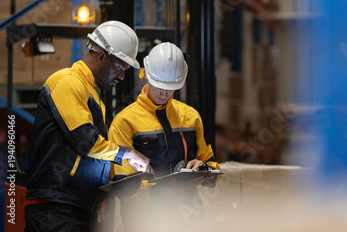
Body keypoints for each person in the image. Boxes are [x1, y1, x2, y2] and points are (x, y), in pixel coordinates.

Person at [24, 21, 153, 232]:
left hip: (77, 209)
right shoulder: (66, 82)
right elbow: (86, 142)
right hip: (54, 209)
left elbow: (88, 157)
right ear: (102, 56)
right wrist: (128, 154)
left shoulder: (92, 97)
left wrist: (119, 181)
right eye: (120, 67)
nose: (121, 76)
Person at [108, 42, 220, 230]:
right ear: (147, 75)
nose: (164, 92)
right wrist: (166, 191)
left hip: (188, 219)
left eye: (171, 86)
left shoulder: (191, 117)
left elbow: (212, 165)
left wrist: (204, 169)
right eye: (159, 84)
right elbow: (122, 184)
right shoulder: (124, 122)